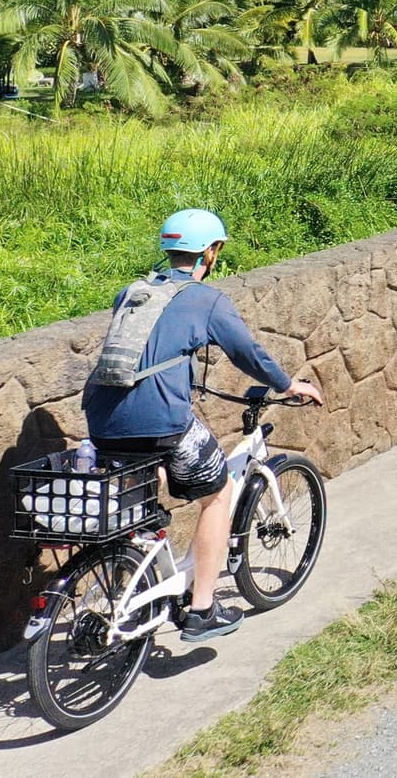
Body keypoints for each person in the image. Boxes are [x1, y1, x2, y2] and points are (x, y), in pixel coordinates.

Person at [83, 210, 324, 644]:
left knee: (148, 480)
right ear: (209, 253)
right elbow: (247, 353)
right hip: (162, 419)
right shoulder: (206, 300)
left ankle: (140, 571)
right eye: (217, 249)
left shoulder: (131, 292)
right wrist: (288, 385)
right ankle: (202, 610)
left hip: (101, 419)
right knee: (218, 494)